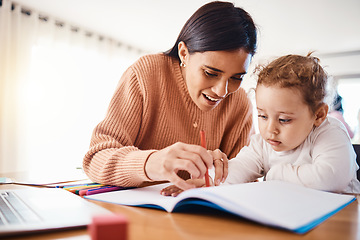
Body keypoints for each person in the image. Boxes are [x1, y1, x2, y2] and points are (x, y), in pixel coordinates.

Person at [83, 1, 257, 190]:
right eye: (210, 73)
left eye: (236, 77)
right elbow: (96, 158)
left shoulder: (239, 102)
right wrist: (152, 163)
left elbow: (248, 182)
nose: (222, 91)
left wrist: (219, 180)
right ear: (184, 53)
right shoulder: (146, 74)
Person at [162, 53, 360, 196]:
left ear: (318, 115)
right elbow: (239, 169)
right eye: (263, 116)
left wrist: (276, 174)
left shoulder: (329, 132)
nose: (270, 129)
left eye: (284, 120)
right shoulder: (263, 143)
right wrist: (209, 182)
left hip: (339, 219)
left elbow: (331, 178)